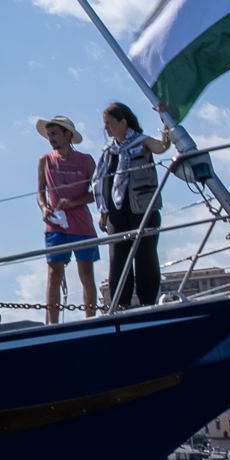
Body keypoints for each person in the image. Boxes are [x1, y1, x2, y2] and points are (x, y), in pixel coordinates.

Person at [95, 102, 172, 311]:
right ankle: (121, 304)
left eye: (109, 123)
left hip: (143, 208)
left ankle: (149, 302)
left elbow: (163, 146)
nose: (106, 128)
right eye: (104, 124)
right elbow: (103, 182)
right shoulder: (109, 151)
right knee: (118, 258)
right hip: (116, 211)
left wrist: (166, 121)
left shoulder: (142, 142)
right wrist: (103, 212)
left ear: (123, 122)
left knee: (145, 255)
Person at [35, 115, 99, 324]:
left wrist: (74, 202)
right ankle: (52, 324)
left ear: (67, 135)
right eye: (49, 134)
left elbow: (98, 192)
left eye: (55, 133)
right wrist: (44, 208)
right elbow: (39, 192)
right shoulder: (45, 160)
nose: (51, 137)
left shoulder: (86, 160)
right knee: (54, 274)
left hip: (82, 223)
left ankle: (91, 320)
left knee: (86, 273)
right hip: (55, 224)